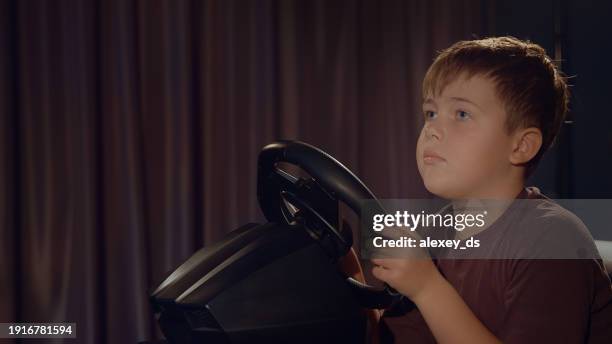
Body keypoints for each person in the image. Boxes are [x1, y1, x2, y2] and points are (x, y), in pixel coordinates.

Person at [368, 36, 612, 343]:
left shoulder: (552, 240)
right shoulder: (439, 231)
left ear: (521, 146)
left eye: (461, 114)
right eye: (431, 113)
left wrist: (427, 287)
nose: (431, 129)